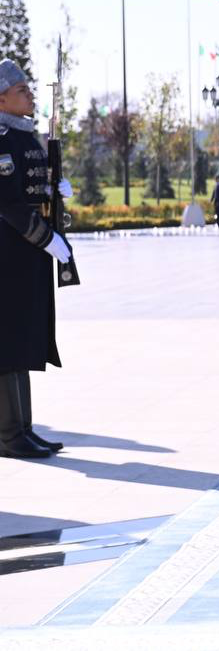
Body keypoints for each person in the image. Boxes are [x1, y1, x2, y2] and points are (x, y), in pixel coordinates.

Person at [0, 59, 71, 458]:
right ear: (2, 98)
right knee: (8, 342)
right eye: (22, 90)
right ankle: (9, 436)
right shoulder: (2, 138)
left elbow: (33, 189)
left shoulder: (25, 136)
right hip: (9, 249)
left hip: (25, 252)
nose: (30, 94)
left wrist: (57, 189)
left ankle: (23, 428)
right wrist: (45, 238)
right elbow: (9, 203)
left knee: (24, 338)